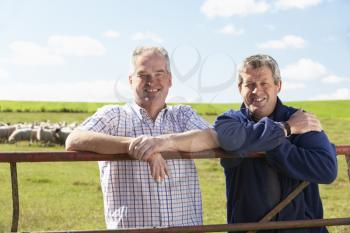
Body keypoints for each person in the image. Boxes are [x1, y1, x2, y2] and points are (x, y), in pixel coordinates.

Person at [65, 46, 219, 229]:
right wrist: (135, 146)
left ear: (170, 80)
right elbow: (74, 139)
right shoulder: (114, 116)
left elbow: (213, 137)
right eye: (143, 74)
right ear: (131, 80)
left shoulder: (182, 115)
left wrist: (160, 143)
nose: (151, 81)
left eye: (159, 73)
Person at [214, 54, 338, 233]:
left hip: (303, 230)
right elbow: (229, 138)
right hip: (250, 229)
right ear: (240, 88)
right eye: (250, 84)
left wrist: (268, 145)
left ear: (278, 86)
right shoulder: (229, 121)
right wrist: (286, 130)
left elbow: (327, 170)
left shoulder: (301, 119)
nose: (257, 91)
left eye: (264, 83)